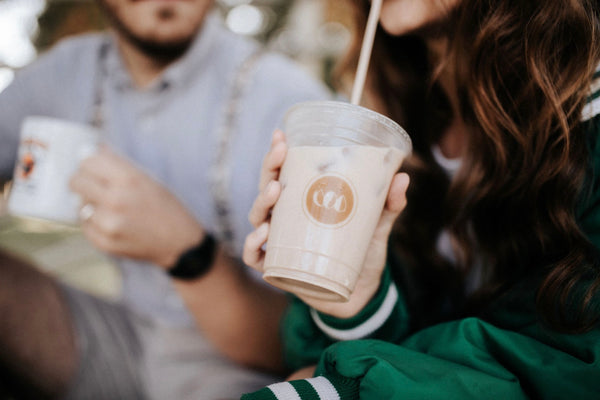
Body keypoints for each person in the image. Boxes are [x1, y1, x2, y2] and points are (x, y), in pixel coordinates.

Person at [241, 0, 600, 398]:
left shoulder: (590, 124)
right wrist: (356, 302)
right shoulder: (394, 124)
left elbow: (571, 365)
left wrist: (346, 389)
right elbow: (356, 349)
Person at [0, 0, 331, 399]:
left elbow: (300, 344)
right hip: (115, 333)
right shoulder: (66, 71)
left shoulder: (290, 104)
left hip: (233, 369)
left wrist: (186, 251)